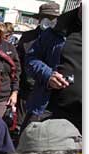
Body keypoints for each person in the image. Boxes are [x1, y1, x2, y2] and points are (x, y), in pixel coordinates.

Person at [24, 4, 81, 133]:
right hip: (48, 110)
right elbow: (31, 59)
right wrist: (48, 75)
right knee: (30, 150)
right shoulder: (58, 29)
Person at [16, 2, 60, 131]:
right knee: (21, 126)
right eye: (45, 17)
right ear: (39, 19)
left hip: (46, 92)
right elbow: (19, 63)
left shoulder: (60, 39)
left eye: (52, 18)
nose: (48, 21)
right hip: (25, 90)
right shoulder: (27, 37)